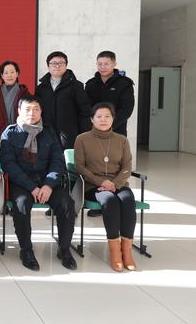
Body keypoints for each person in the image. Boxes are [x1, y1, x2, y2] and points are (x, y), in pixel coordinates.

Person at [0, 96, 77, 271]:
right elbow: (9, 165)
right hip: (21, 183)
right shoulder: (9, 133)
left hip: (46, 182)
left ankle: (64, 249)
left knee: (66, 203)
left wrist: (48, 185)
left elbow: (58, 161)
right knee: (21, 204)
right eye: (27, 109)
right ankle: (26, 250)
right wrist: (31, 187)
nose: (31, 113)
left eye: (36, 109)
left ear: (41, 112)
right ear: (19, 111)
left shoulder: (49, 132)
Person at [74, 102, 136, 271]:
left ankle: (127, 250)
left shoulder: (122, 140)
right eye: (99, 116)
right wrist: (100, 182)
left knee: (128, 199)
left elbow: (127, 167)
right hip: (93, 185)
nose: (103, 120)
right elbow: (79, 167)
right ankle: (115, 251)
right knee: (110, 200)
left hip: (118, 183)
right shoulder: (82, 139)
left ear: (113, 119)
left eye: (107, 116)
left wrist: (115, 183)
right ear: (92, 119)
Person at [84, 51, 135, 217]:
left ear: (114, 64)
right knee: (95, 165)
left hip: (116, 132)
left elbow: (127, 109)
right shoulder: (91, 84)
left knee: (115, 165)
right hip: (94, 134)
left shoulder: (124, 84)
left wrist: (108, 125)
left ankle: (117, 193)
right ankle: (101, 201)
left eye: (106, 63)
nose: (102, 67)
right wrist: (97, 124)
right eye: (99, 64)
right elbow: (87, 108)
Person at [35, 51, 91, 151]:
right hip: (46, 135)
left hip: (69, 136)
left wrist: (85, 135)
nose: (57, 66)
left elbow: (85, 112)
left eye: (61, 63)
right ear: (48, 66)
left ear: (66, 65)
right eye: (54, 63)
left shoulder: (76, 86)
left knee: (68, 160)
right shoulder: (41, 88)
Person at [0, 60, 31, 150]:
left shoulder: (24, 93)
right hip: (0, 133)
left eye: (12, 72)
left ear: (17, 74)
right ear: (1, 75)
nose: (9, 75)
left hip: (20, 134)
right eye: (6, 73)